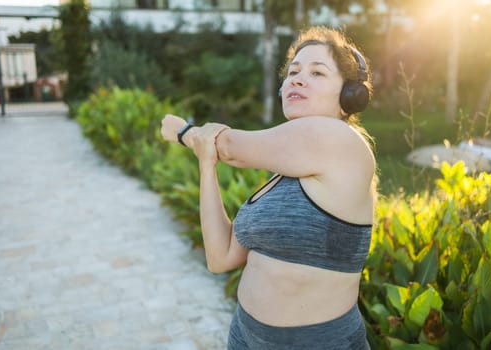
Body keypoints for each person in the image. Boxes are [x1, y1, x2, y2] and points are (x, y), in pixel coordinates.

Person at [161, 26, 376, 350]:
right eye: (293, 72)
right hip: (245, 335)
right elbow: (221, 257)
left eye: (317, 73)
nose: (297, 79)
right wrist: (206, 164)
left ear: (349, 97)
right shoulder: (281, 176)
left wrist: (184, 132)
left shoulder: (342, 141)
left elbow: (230, 146)